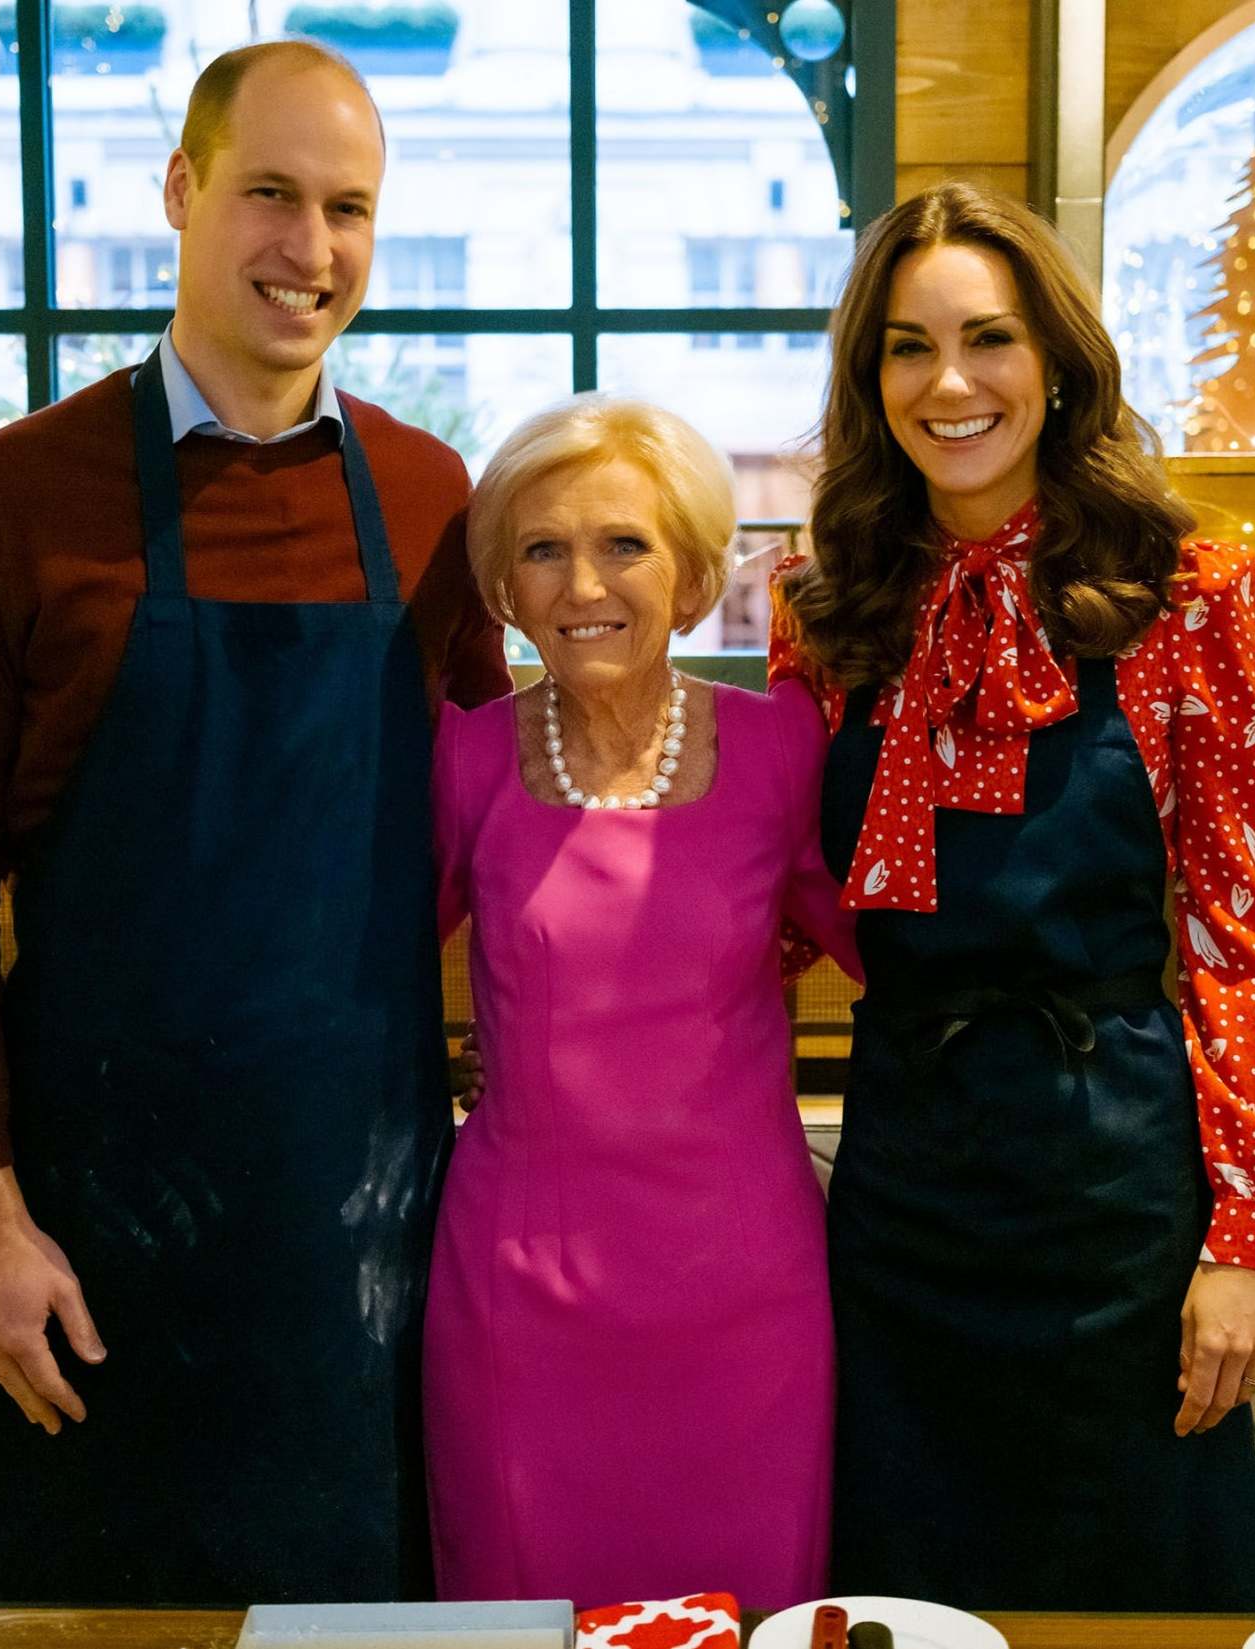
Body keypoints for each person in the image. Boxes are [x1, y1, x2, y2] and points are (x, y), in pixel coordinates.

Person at [0, 40, 511, 1606]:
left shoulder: (436, 504)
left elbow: (500, 829)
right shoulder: (4, 500)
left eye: (348, 208)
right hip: (87, 1242)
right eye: (271, 196)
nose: (312, 249)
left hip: (362, 1235)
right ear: (181, 192)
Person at [768, 182, 1255, 1609]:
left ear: (1058, 358)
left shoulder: (1184, 589)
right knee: (903, 1598)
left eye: (988, 338)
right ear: (867, 375)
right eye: (905, 347)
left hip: (1120, 1185)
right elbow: (777, 902)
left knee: (1141, 1591)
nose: (948, 383)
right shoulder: (824, 605)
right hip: (906, 1183)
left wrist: (1244, 1241)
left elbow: (1239, 920)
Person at [423, 396, 858, 1610]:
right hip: (519, 1308)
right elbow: (362, 975)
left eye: (623, 544)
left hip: (747, 1303)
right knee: (525, 1613)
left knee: (756, 1614)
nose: (582, 583)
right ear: (503, 587)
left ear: (695, 573)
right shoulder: (461, 757)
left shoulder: (783, 751)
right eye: (541, 548)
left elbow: (902, 958)